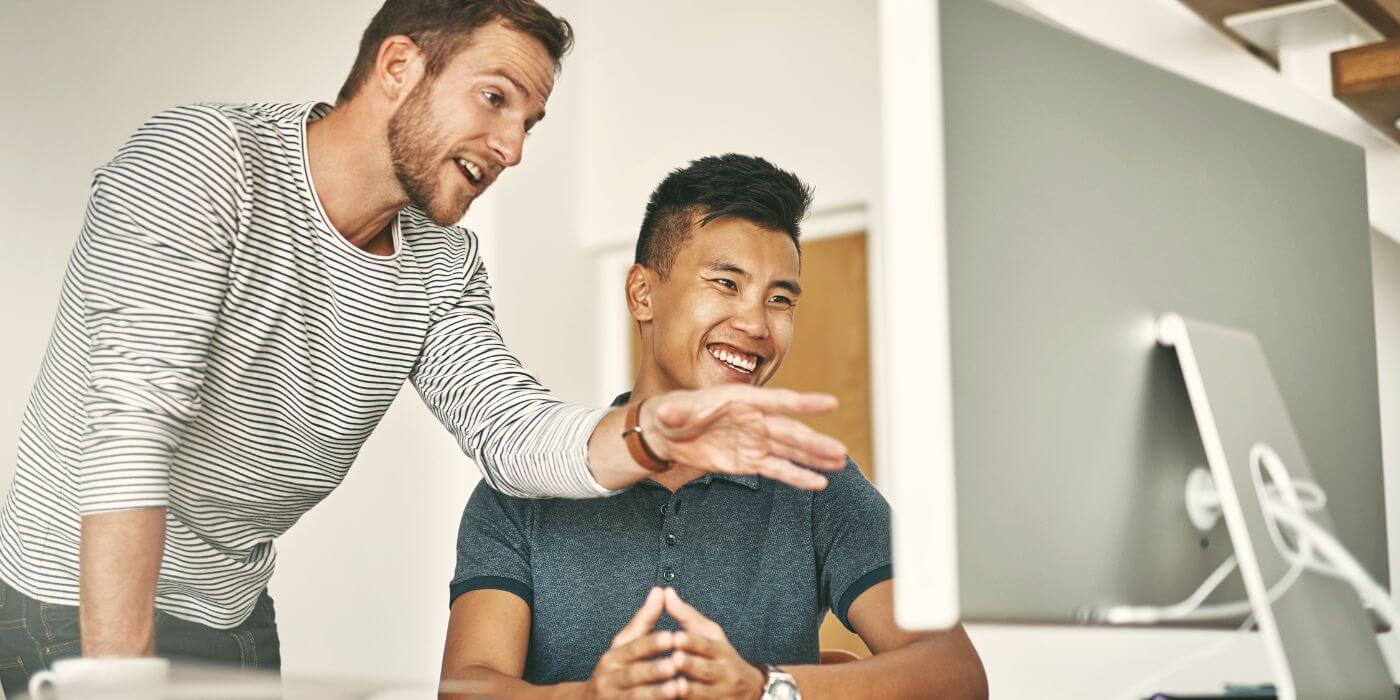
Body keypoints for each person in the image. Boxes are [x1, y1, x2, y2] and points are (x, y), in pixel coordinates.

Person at [0, 2, 848, 692]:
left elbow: (510, 433)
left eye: (531, 121)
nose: (513, 148)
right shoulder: (201, 165)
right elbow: (131, 429)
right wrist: (110, 681)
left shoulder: (440, 263)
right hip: (68, 599)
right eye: (495, 98)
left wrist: (648, 433)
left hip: (230, 610)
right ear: (399, 66)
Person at [439, 155, 988, 699]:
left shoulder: (818, 482)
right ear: (642, 293)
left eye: (779, 299)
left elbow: (955, 673)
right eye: (726, 284)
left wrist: (767, 687)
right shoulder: (522, 486)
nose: (755, 323)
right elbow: (467, 687)